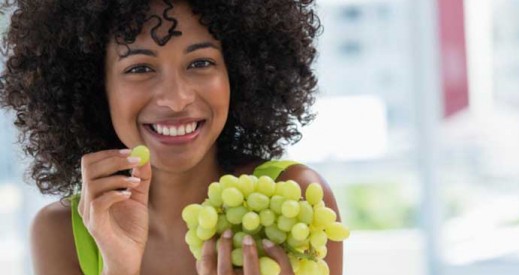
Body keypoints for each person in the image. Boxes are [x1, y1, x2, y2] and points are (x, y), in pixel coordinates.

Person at [0, 0, 343, 274]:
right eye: (139, 68)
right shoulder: (60, 234)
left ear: (237, 73)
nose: (176, 98)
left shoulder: (292, 203)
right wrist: (117, 268)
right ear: (94, 87)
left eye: (200, 63)